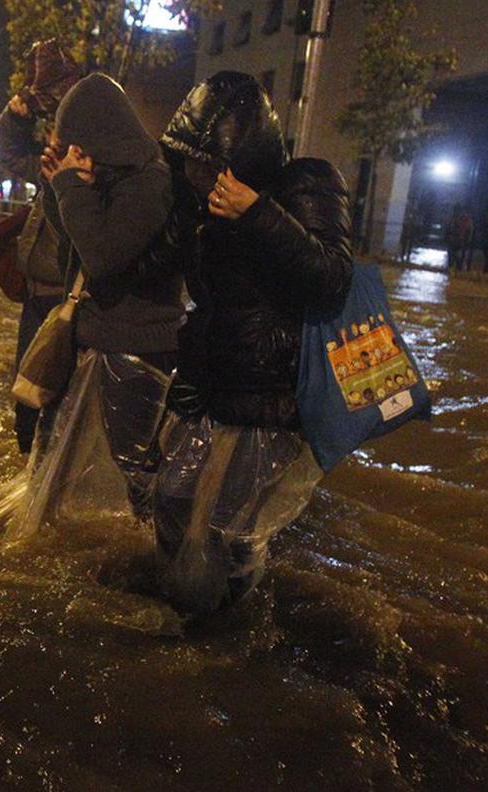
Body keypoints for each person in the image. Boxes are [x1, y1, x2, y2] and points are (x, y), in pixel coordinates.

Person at [151, 72, 354, 613]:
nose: (198, 176)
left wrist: (257, 213)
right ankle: (185, 603)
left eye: (208, 165)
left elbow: (331, 276)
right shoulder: (198, 208)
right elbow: (194, 294)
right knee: (169, 497)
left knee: (232, 528)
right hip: (216, 385)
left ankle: (231, 632)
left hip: (273, 396)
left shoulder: (306, 185)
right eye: (189, 164)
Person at [8, 72, 181, 535]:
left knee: (131, 477)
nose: (68, 151)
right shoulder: (109, 177)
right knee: (56, 463)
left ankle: (150, 562)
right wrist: (58, 188)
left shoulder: (149, 182)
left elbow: (104, 257)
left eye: (74, 142)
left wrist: (68, 187)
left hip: (132, 353)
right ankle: (50, 545)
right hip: (92, 343)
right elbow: (79, 251)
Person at [0, 40, 81, 455]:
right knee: (27, 397)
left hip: (63, 300)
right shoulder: (49, 165)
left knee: (51, 400)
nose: (50, 132)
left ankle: (40, 470)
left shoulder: (88, 168)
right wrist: (18, 113)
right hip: (37, 295)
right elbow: (11, 153)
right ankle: (28, 465)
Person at [445, 203, 473, 272]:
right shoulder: (453, 218)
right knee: (454, 259)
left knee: (458, 259)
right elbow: (448, 229)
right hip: (455, 241)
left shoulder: (464, 218)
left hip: (460, 242)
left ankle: (457, 270)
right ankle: (455, 271)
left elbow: (469, 230)